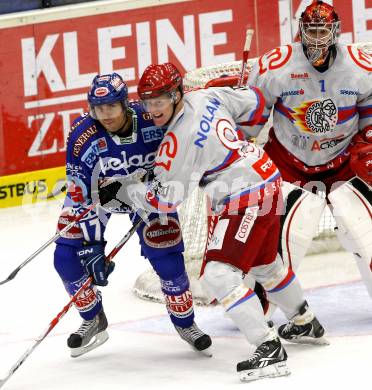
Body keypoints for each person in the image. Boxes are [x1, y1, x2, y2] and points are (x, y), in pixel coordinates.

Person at [104, 62, 327, 382]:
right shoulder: (205, 96)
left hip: (246, 196)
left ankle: (269, 347)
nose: (153, 110)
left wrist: (126, 193)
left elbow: (165, 200)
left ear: (176, 93)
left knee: (218, 275)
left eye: (160, 101)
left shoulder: (177, 141)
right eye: (148, 102)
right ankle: (305, 321)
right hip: (267, 179)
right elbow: (257, 104)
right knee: (265, 265)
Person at [53, 72, 212, 358]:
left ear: (125, 103)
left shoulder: (152, 119)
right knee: (66, 258)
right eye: (98, 108)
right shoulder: (82, 134)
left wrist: (154, 185)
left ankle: (186, 324)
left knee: (168, 260)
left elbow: (180, 151)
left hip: (146, 195)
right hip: (99, 196)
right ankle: (93, 318)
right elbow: (80, 194)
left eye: (111, 106)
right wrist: (93, 245)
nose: (105, 115)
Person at [247, 0, 372, 314]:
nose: (316, 38)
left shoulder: (360, 66)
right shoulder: (275, 66)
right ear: (300, 30)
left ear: (335, 31)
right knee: (277, 238)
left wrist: (368, 142)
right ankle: (258, 304)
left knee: (362, 230)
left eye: (322, 30)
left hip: (343, 164)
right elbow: (250, 121)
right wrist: (240, 130)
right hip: (287, 163)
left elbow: (369, 115)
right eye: (311, 30)